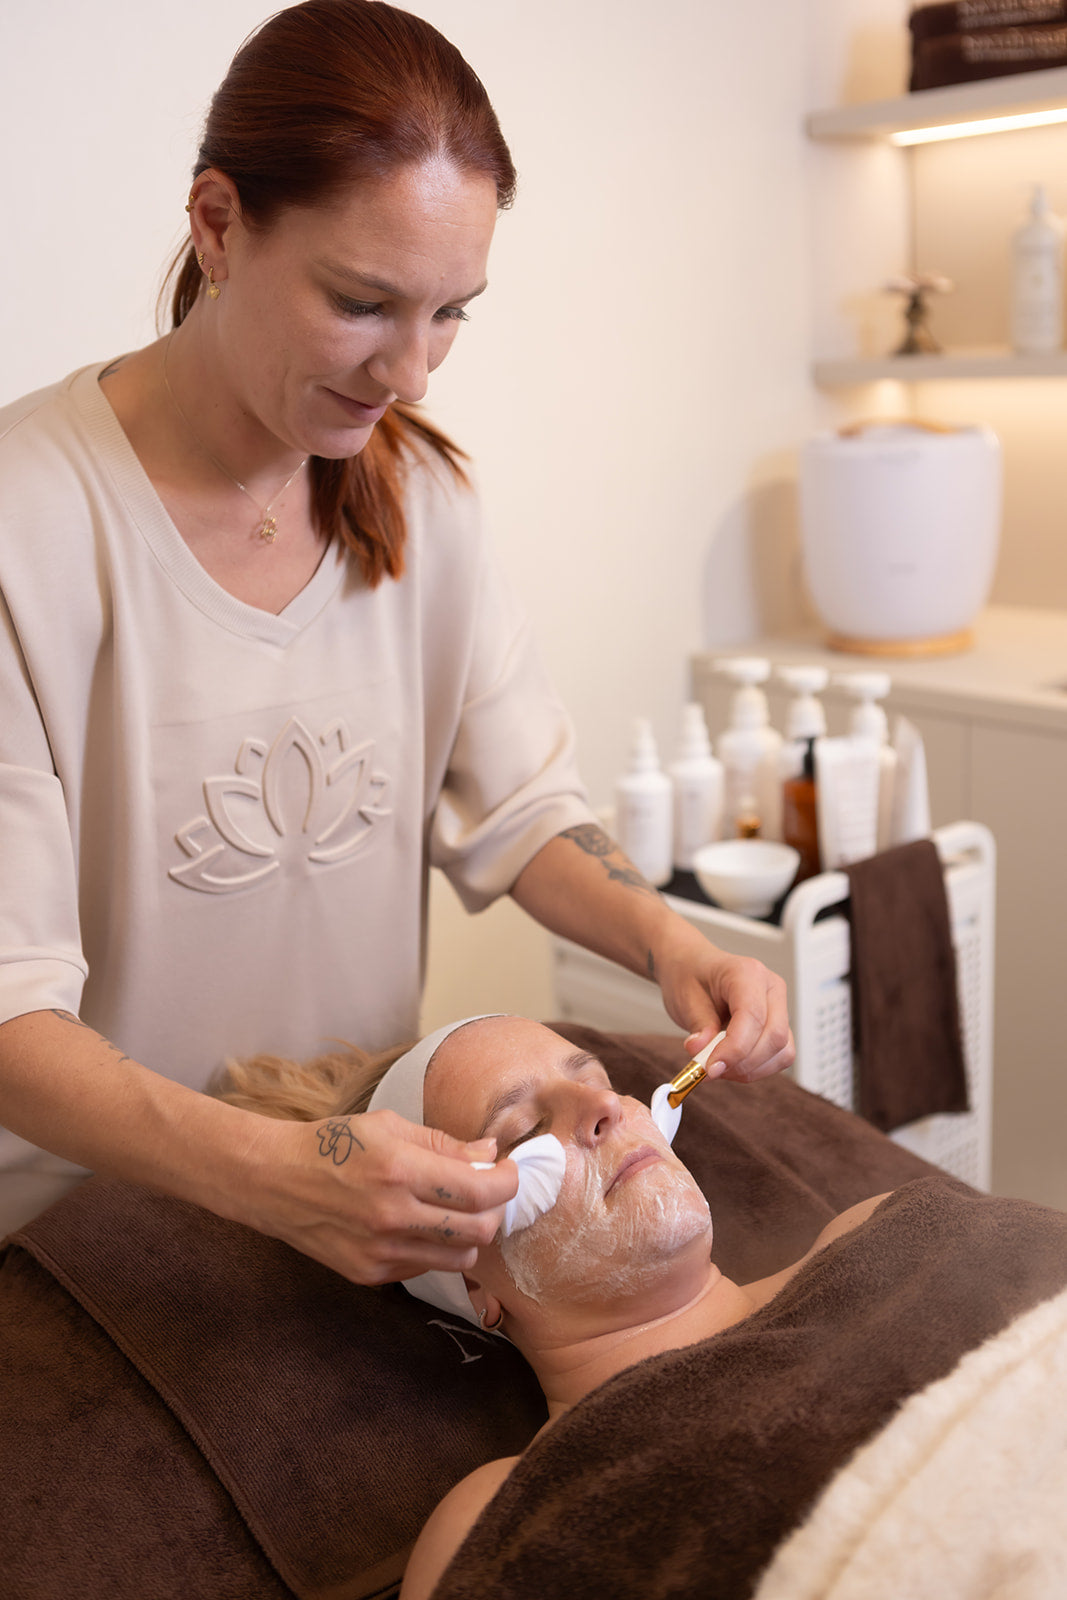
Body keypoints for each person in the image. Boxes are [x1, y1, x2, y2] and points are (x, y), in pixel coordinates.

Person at [0, 0, 792, 1272]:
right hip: (75, 1246)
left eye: (451, 312)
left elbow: (523, 809)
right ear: (216, 224)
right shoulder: (26, 527)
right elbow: (5, 1014)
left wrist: (672, 942)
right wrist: (277, 1177)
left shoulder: (420, 500)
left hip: (350, 1220)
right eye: (364, 304)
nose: (411, 373)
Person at [212, 1012, 889, 1600]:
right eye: (524, 1128)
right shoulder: (507, 1513)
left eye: (595, 1079)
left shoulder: (878, 1237)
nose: (606, 1108)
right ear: (474, 1286)